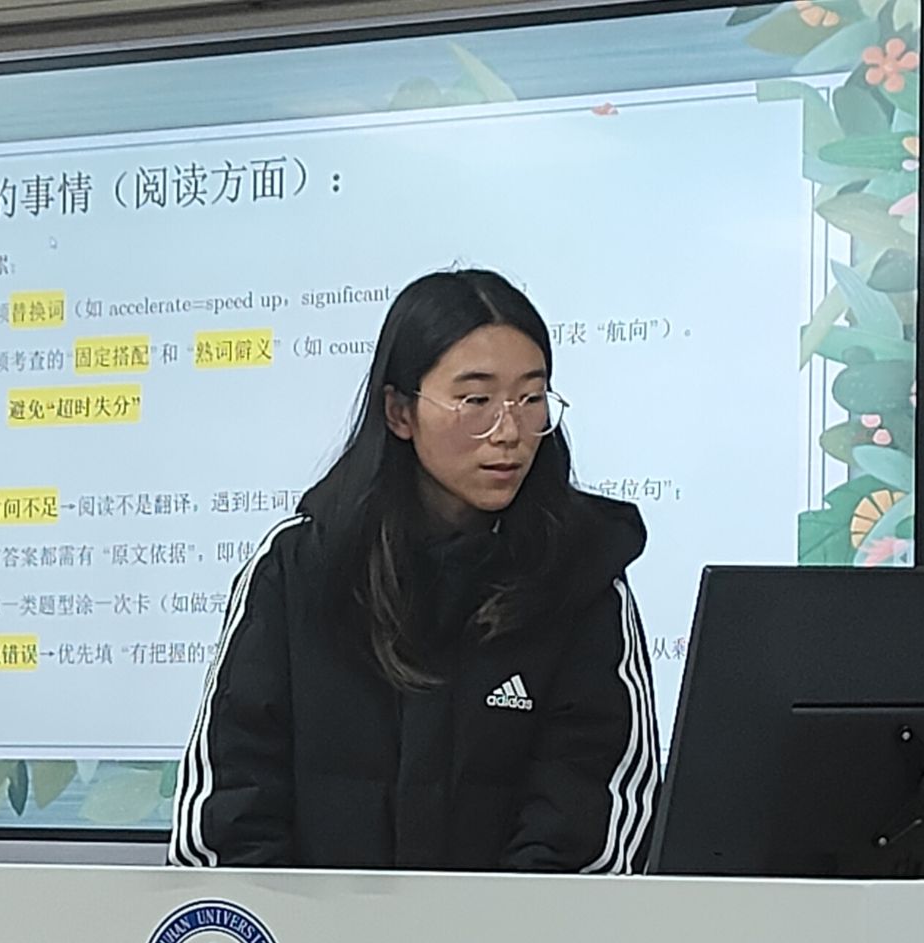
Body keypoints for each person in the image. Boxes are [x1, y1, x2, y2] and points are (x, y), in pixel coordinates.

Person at [169, 269, 659, 872]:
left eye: (531, 399)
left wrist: (494, 930)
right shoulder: (299, 568)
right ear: (400, 412)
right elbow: (229, 807)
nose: (509, 432)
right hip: (312, 931)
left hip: (517, 932)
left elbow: (591, 818)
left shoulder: (581, 575)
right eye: (476, 402)